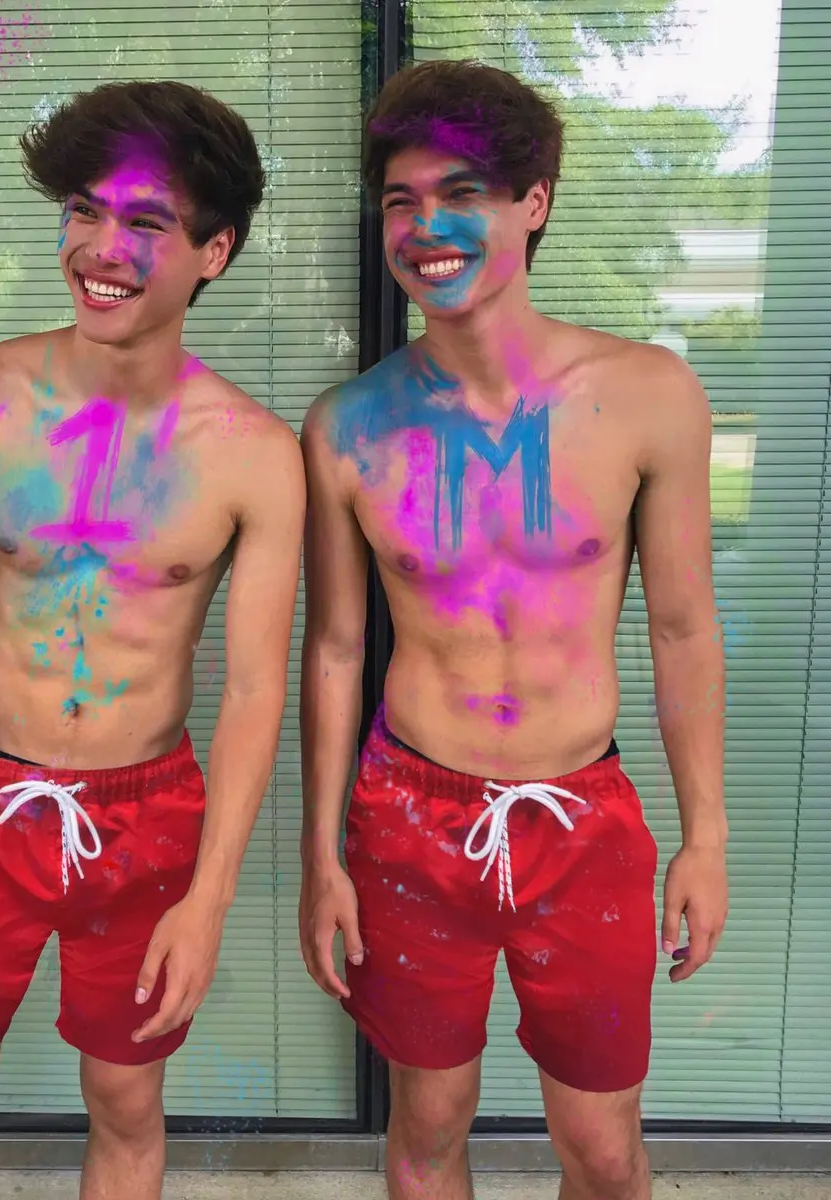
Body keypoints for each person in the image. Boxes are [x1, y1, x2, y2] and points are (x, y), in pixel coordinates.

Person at [299, 59, 728, 1200]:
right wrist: (320, 854)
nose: (426, 226)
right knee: (425, 1136)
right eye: (401, 200)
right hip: (407, 816)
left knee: (604, 1152)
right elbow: (335, 649)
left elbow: (683, 631)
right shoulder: (348, 426)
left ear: (533, 202)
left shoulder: (647, 395)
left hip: (581, 820)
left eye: (462, 193)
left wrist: (707, 835)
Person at [0, 80, 304, 1200]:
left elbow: (255, 689)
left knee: (126, 1106)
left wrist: (208, 899)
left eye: (146, 223)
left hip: (149, 819)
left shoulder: (255, 454)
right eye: (84, 210)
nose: (101, 250)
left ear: (215, 251)